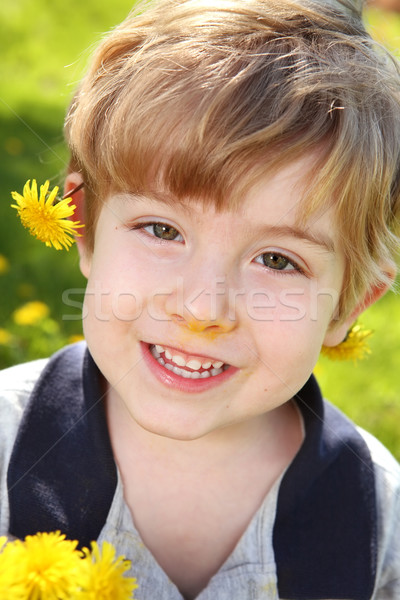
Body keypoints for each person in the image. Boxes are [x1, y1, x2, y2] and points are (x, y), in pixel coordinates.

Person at [1, 0, 400, 597]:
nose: (203, 309)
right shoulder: (8, 443)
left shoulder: (378, 518)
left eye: (277, 260)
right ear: (81, 224)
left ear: (347, 305)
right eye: (163, 230)